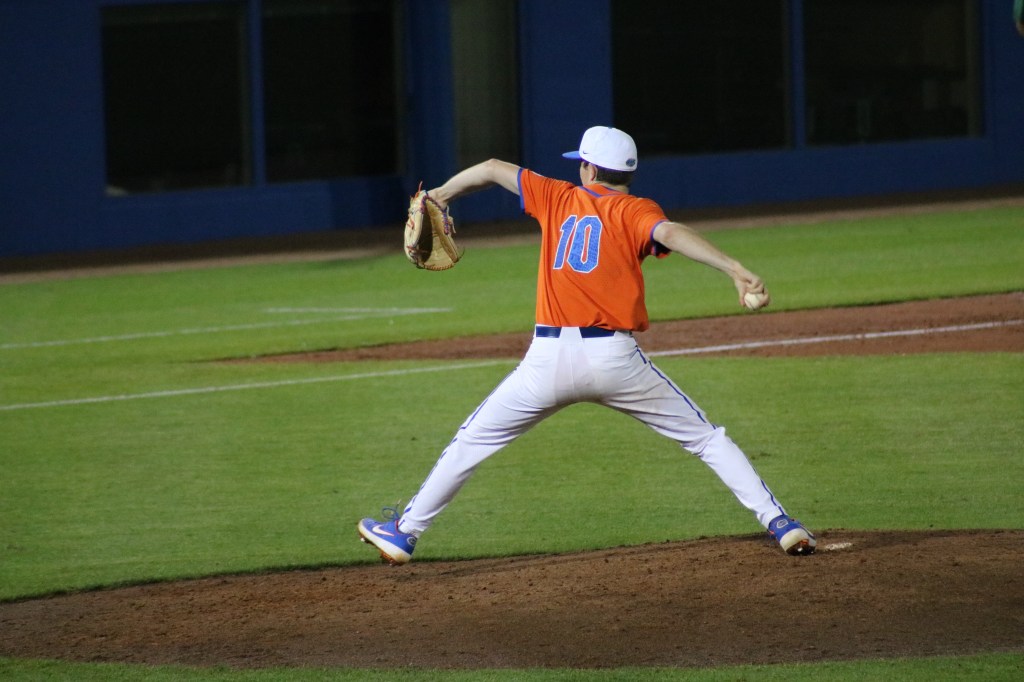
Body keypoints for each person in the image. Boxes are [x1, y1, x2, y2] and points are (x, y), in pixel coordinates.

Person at [358, 126, 816, 564]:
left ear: (590, 169)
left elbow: (493, 167)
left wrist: (440, 195)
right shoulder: (636, 210)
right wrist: (734, 268)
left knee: (472, 442)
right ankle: (779, 522)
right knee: (706, 439)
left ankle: (405, 531)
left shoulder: (557, 196)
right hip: (614, 360)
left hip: (546, 362)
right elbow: (670, 233)